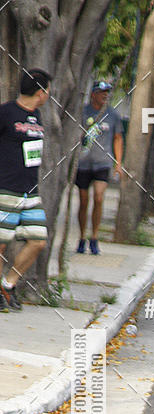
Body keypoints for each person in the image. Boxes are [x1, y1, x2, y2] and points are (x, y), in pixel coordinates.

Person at [0, 68, 51, 312]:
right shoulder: (6, 112)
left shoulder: (37, 116)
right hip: (6, 188)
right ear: (40, 92)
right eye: (47, 90)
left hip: (30, 191)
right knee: (0, 242)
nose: (48, 95)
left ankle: (8, 283)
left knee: (38, 239)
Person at [75, 81, 123, 254]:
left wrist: (118, 163)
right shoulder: (83, 112)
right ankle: (81, 237)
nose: (105, 95)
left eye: (107, 92)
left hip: (103, 162)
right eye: (101, 92)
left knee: (99, 197)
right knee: (83, 200)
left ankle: (94, 237)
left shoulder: (113, 115)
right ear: (93, 93)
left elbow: (118, 137)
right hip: (83, 162)